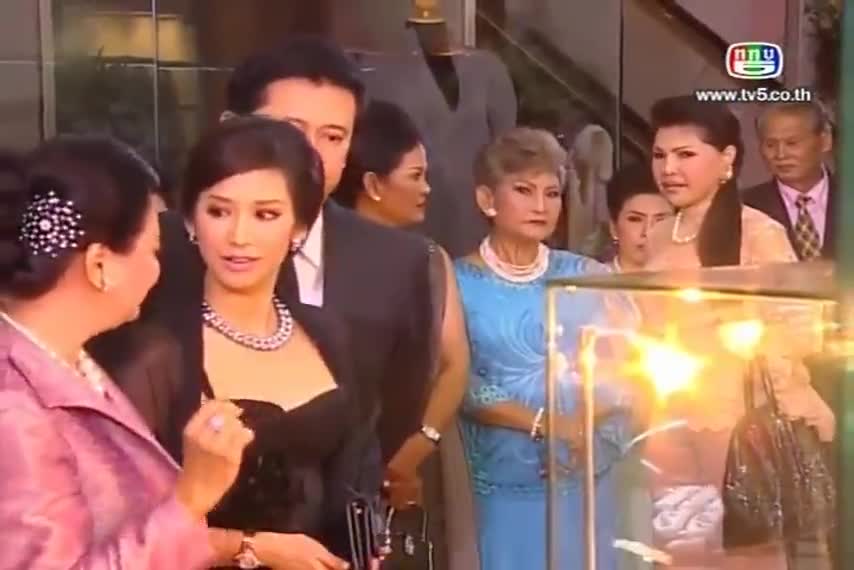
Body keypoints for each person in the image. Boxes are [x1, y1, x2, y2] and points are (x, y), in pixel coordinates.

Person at [91, 117, 374, 569]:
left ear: (300, 227)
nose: (239, 237)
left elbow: (354, 478)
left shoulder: (329, 334)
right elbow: (117, 532)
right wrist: (251, 547)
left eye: (266, 215)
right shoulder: (153, 357)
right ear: (190, 220)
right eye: (219, 212)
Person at [0, 135, 253, 569]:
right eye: (153, 251)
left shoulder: (62, 363)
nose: (158, 270)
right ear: (101, 264)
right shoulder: (14, 407)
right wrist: (191, 497)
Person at [217, 36, 436, 473]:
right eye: (290, 130)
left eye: (333, 136)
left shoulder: (397, 262)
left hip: (339, 508)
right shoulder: (160, 252)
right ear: (228, 128)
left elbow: (397, 411)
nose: (310, 153)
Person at [642, 95, 835, 569]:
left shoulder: (758, 232)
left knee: (746, 558)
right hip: (668, 424)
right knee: (681, 554)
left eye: (685, 155)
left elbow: (800, 331)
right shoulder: (661, 234)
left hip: (737, 430)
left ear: (727, 159)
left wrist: (737, 338)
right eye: (660, 155)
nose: (669, 169)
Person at [455, 127, 633, 570]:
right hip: (503, 484)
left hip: (588, 477)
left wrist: (584, 424)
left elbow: (630, 366)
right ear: (487, 199)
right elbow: (456, 377)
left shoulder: (588, 277)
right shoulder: (453, 282)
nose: (541, 205)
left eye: (552, 193)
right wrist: (545, 423)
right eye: (524, 190)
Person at [337, 99, 474, 570]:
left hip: (416, 459)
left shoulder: (430, 260)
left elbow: (455, 363)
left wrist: (417, 447)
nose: (427, 188)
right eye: (415, 176)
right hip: (338, 465)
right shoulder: (316, 259)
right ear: (373, 185)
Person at [742, 101, 836, 261]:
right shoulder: (745, 208)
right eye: (770, 145)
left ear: (825, 141)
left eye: (792, 143)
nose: (781, 155)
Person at [605, 162, 674, 272]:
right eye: (635, 219)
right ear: (613, 227)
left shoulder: (692, 281)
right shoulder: (590, 279)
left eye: (661, 220)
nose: (648, 232)